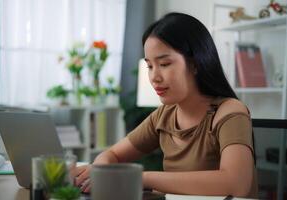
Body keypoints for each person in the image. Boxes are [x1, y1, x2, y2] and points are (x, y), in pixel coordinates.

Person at [72, 12, 258, 198]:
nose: (154, 77)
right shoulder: (164, 115)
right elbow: (113, 154)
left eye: (164, 63)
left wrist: (142, 178)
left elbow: (236, 183)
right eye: (150, 66)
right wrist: (100, 169)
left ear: (195, 64)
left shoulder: (230, 112)